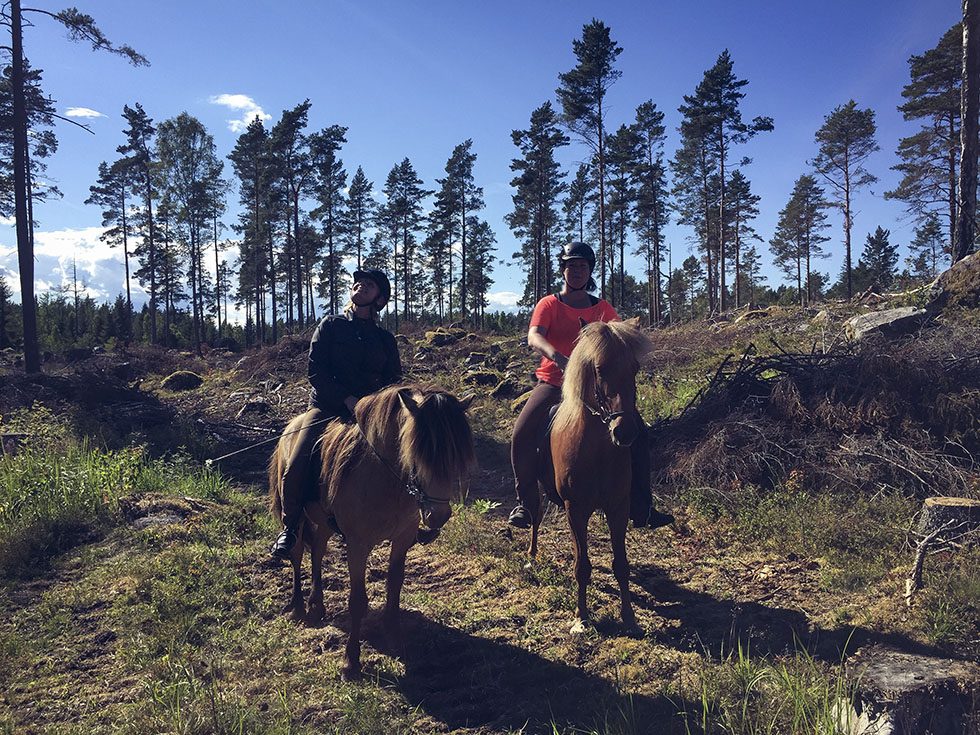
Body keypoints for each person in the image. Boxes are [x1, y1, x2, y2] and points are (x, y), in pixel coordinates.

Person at [507, 241, 674, 531]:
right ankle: (526, 504)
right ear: (563, 271)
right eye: (571, 266)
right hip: (555, 382)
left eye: (582, 266)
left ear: (590, 271)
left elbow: (620, 341)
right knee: (522, 433)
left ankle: (642, 506)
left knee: (639, 433)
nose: (576, 271)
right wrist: (559, 358)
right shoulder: (549, 304)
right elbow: (535, 337)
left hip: (596, 388)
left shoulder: (603, 308)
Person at [270, 268, 402, 559]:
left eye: (370, 285)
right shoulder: (330, 325)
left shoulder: (385, 340)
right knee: (296, 463)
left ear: (380, 299)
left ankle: (411, 519)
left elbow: (394, 381)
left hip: (371, 415)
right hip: (327, 410)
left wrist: (373, 406)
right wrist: (346, 399)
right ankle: (290, 527)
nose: (362, 285)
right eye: (359, 282)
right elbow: (316, 371)